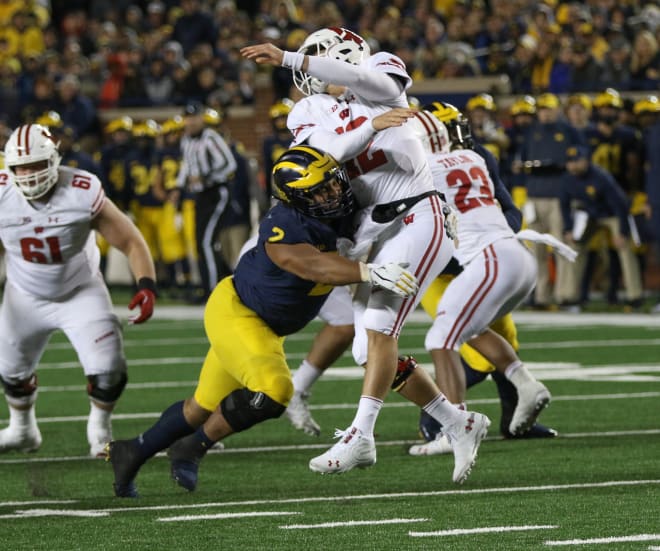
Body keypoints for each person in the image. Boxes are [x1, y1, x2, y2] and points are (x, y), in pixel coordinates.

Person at [241, 27, 490, 481]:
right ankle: (460, 422)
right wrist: (370, 126)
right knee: (366, 349)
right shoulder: (310, 110)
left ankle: (361, 435)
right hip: (374, 230)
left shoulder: (379, 72)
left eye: (317, 58)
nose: (309, 67)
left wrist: (289, 57)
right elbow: (327, 154)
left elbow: (373, 85)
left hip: (420, 212)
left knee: (378, 327)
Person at [105, 144, 418, 497]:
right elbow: (311, 265)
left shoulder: (341, 207)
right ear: (296, 198)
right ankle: (192, 446)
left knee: (199, 408)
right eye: (319, 191)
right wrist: (368, 271)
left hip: (264, 326)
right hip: (237, 311)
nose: (333, 194)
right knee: (275, 390)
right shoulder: (283, 223)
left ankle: (134, 450)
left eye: (333, 183)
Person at [0, 124, 157, 457]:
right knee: (9, 371)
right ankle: (23, 430)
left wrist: (146, 284)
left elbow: (130, 240)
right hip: (24, 294)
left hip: (80, 290)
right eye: (20, 167)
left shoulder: (80, 189)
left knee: (110, 370)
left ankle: (99, 429)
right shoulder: (2, 194)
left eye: (36, 165)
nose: (28, 175)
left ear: (54, 160)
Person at [176, 101, 237, 300]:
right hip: (200, 195)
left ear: (202, 118)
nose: (191, 122)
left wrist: (205, 176)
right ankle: (229, 282)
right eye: (188, 118)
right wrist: (179, 186)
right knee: (203, 242)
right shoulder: (186, 140)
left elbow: (229, 164)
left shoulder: (210, 137)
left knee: (206, 242)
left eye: (194, 117)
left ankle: (210, 290)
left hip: (216, 192)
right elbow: (187, 166)